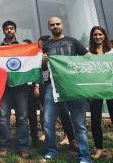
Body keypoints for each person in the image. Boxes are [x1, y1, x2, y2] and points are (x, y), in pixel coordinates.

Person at [42, 17, 91, 162]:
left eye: (58, 24)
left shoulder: (73, 41)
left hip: (74, 85)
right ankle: (51, 151)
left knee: (79, 124)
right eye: (52, 25)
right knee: (47, 120)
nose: (55, 26)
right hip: (54, 86)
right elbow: (44, 70)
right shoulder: (46, 45)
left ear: (62, 25)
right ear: (49, 27)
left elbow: (88, 58)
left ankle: (84, 157)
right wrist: (43, 63)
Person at [0, 20, 30, 159]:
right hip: (4, 88)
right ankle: (3, 147)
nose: (9, 30)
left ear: (15, 30)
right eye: (6, 28)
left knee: (22, 117)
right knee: (3, 118)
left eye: (11, 28)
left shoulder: (24, 46)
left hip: (21, 87)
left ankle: (23, 147)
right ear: (3, 31)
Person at [88, 26, 113, 159]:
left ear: (105, 36)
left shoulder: (112, 52)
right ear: (92, 37)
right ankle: (99, 149)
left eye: (100, 34)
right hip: (95, 90)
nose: (98, 37)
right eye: (95, 35)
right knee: (95, 121)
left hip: (111, 88)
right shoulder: (89, 53)